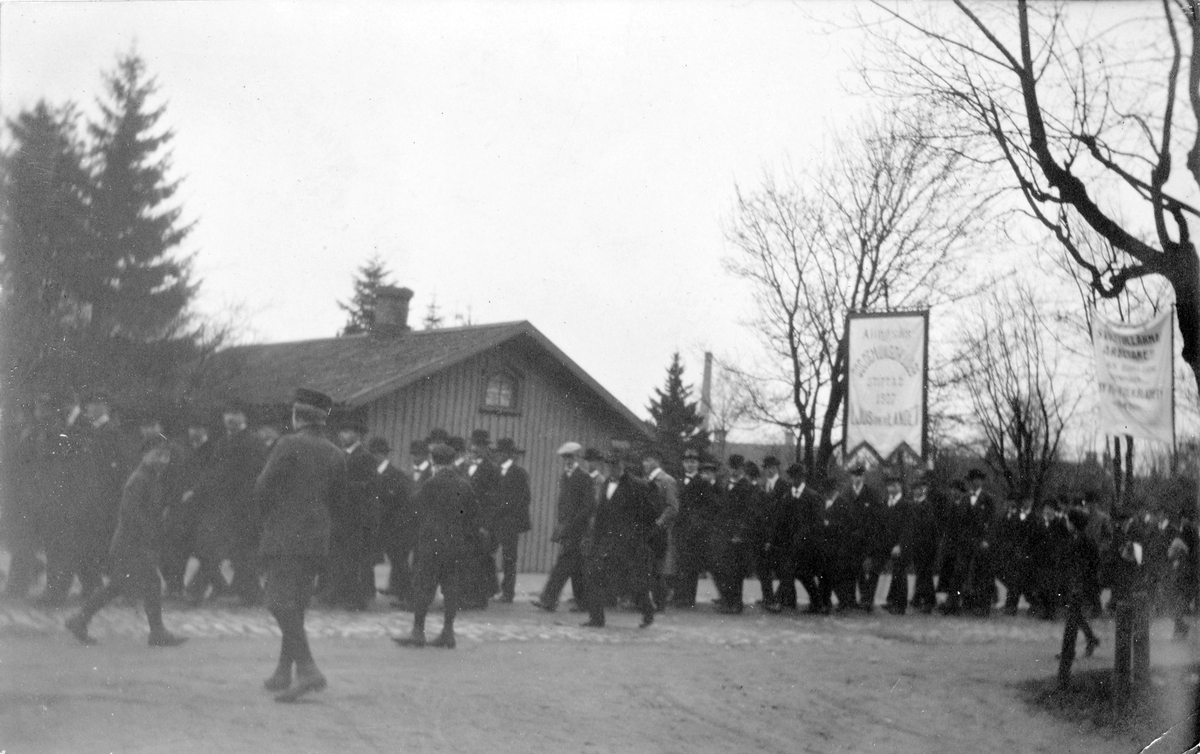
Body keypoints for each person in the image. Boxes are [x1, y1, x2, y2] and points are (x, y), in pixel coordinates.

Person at [255, 388, 346, 702]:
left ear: (298, 416)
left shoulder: (287, 444)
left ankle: (307, 669)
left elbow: (262, 487)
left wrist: (270, 516)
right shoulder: (336, 452)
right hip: (317, 539)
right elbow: (339, 500)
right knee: (296, 603)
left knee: (278, 602)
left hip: (284, 535)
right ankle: (284, 671)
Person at [65, 444, 187, 648]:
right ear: (145, 455)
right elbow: (130, 512)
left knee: (117, 586)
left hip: (133, 543)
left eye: (166, 456)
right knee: (151, 583)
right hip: (131, 544)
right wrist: (149, 532)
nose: (162, 460)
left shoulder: (151, 478)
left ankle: (79, 620)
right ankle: (157, 633)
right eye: (157, 455)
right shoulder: (139, 479)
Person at [393, 442, 481, 649]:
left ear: (433, 461)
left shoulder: (431, 484)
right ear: (452, 461)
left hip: (431, 544)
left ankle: (418, 632)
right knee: (451, 589)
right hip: (456, 545)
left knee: (424, 587)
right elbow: (473, 517)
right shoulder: (464, 485)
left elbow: (413, 508)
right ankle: (448, 633)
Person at [582, 450, 661, 629]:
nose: (613, 469)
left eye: (616, 466)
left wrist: (638, 535)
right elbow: (601, 515)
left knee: (633, 583)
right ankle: (596, 619)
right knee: (594, 574)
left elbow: (651, 514)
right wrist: (594, 541)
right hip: (607, 542)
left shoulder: (637, 486)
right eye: (610, 466)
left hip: (630, 544)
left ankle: (647, 612)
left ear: (623, 466)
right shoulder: (605, 485)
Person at [534, 442, 595, 612]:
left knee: (563, 564)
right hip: (566, 528)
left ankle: (548, 599)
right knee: (576, 567)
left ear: (576, 457)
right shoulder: (564, 476)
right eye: (565, 457)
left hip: (578, 529)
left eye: (570, 457)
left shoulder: (584, 477)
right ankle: (584, 603)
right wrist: (561, 524)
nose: (567, 460)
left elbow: (589, 506)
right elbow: (563, 503)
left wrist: (573, 524)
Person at [941, 469, 997, 616]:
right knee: (959, 572)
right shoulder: (965, 499)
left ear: (981, 481)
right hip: (965, 541)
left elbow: (992, 522)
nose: (974, 482)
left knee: (981, 574)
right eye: (972, 480)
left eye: (977, 479)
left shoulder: (988, 499)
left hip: (980, 541)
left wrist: (987, 540)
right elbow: (959, 521)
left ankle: (982, 607)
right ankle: (952, 604)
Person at [1057, 508, 1101, 689]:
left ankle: (1068, 655)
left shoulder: (1086, 542)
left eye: (1068, 521)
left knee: (1072, 619)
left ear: (1074, 524)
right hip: (1074, 585)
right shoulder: (1072, 540)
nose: (1066, 524)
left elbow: (1092, 566)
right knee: (1074, 617)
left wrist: (1085, 585)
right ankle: (1090, 639)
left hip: (1081, 587)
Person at [886, 473, 940, 614]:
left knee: (924, 573)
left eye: (920, 488)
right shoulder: (912, 504)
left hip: (925, 544)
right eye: (915, 488)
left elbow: (928, 526)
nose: (917, 491)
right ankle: (916, 599)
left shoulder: (927, 505)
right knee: (916, 572)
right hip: (913, 542)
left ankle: (928, 601)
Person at [772, 463, 823, 613]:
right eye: (792, 477)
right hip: (790, 544)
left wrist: (804, 536)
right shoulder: (787, 496)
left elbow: (817, 522)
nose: (794, 480)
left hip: (807, 545)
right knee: (797, 573)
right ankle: (816, 603)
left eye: (797, 477)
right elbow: (781, 520)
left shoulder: (812, 496)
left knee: (802, 574)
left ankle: (780, 601)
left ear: (802, 478)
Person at [372, 438, 417, 605]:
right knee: (395, 560)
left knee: (399, 561)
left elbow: (405, 500)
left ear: (380, 455)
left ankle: (409, 598)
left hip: (397, 525)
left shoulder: (396, 475)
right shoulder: (374, 472)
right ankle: (400, 591)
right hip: (383, 524)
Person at [672, 449, 716, 608]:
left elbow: (710, 506)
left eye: (693, 462)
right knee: (680, 563)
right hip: (680, 527)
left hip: (695, 529)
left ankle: (688, 598)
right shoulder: (679, 480)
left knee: (691, 565)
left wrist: (699, 522)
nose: (690, 465)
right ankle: (679, 596)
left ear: (697, 464)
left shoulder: (703, 482)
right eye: (687, 462)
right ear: (683, 463)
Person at [492, 438, 532, 603]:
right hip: (495, 520)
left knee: (509, 558)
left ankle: (508, 593)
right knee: (487, 553)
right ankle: (491, 588)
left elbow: (524, 498)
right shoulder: (495, 471)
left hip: (509, 521)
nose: (498, 455)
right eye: (497, 452)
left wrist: (505, 510)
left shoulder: (519, 473)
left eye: (501, 452)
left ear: (508, 454)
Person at [642, 449, 679, 611]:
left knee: (657, 568)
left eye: (647, 460)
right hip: (645, 528)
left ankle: (660, 602)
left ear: (656, 461)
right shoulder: (645, 480)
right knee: (644, 565)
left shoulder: (667, 481)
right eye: (644, 460)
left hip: (659, 531)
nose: (644, 464)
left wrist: (660, 523)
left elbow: (673, 507)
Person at [844, 463, 883, 611]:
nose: (857, 478)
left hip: (867, 538)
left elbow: (876, 518)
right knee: (852, 570)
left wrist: (872, 538)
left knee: (866, 569)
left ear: (863, 477)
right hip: (850, 538)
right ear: (851, 477)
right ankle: (851, 599)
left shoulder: (871, 493)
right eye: (854, 475)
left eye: (859, 475)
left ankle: (867, 600)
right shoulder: (846, 493)